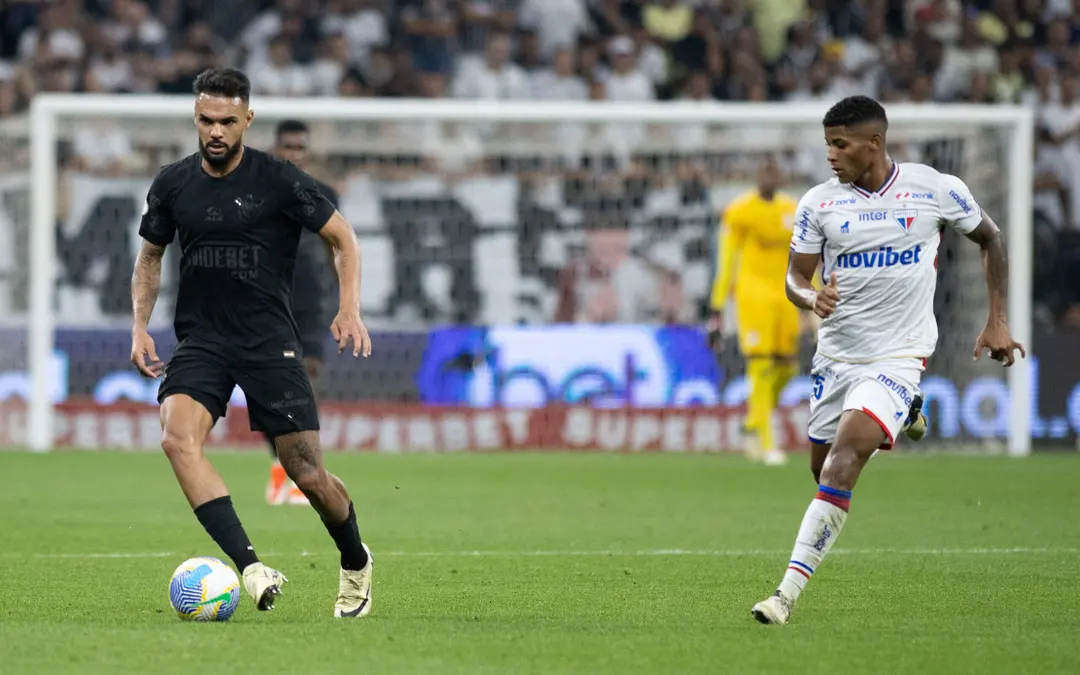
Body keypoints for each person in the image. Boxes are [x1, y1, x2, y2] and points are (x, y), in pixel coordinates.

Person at [751, 96, 1024, 625]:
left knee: (843, 462)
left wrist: (997, 318)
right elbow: (794, 277)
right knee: (822, 470)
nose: (830, 154)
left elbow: (990, 237)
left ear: (873, 143)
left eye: (840, 143)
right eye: (828, 142)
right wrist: (811, 298)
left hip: (899, 355)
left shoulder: (935, 189)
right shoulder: (818, 204)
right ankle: (906, 413)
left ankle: (782, 596)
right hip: (837, 358)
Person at [129, 68, 375, 618]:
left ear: (247, 120)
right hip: (202, 340)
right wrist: (140, 325)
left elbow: (343, 238)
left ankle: (355, 559)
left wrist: (349, 307)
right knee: (175, 439)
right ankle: (249, 565)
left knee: (306, 472)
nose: (215, 131)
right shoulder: (172, 184)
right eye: (205, 120)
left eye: (227, 122)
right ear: (195, 118)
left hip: (268, 342)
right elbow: (150, 257)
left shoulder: (280, 181)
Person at [264, 119, 339, 507]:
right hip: (268, 301)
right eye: (287, 146)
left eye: (299, 147)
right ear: (276, 148)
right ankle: (283, 466)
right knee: (270, 389)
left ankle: (300, 471)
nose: (293, 153)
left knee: (307, 380)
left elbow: (335, 246)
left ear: (307, 152)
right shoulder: (260, 190)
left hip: (310, 302)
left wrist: (345, 300)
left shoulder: (322, 193)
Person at [708, 157, 802, 466]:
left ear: (781, 176)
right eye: (764, 171)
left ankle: (752, 422)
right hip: (753, 297)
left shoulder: (792, 210)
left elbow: (804, 257)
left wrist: (814, 297)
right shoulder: (739, 211)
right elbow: (726, 260)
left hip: (785, 298)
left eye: (774, 171)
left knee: (788, 369)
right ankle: (767, 443)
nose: (769, 176)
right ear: (756, 176)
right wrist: (717, 306)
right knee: (760, 367)